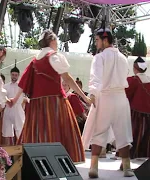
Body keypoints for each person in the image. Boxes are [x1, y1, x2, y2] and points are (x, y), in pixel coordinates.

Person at [10, 30, 90, 163]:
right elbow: (68, 79)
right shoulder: (54, 56)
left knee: (37, 132)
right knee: (57, 131)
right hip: (54, 102)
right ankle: (58, 161)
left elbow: (23, 83)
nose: (57, 44)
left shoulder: (34, 61)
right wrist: (85, 98)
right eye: (56, 41)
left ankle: (35, 162)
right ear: (52, 41)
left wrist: (14, 99)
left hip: (36, 105)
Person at [81, 27, 134, 178]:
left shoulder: (99, 57)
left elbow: (96, 79)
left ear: (105, 40)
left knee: (99, 131)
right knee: (122, 132)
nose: (96, 43)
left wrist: (92, 95)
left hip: (105, 97)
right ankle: (127, 168)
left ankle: (94, 167)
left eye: (97, 40)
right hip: (121, 98)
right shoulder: (123, 58)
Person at [125, 56, 150, 159]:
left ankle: (131, 154)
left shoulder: (133, 80)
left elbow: (126, 94)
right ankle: (145, 154)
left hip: (136, 111)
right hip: (149, 112)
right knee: (147, 135)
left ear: (135, 68)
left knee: (133, 133)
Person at [2, 61, 25, 146]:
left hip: (17, 109)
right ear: (10, 75)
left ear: (18, 75)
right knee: (7, 130)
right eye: (13, 75)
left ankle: (21, 150)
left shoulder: (21, 86)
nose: (14, 76)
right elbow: (2, 97)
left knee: (19, 130)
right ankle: (8, 154)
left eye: (16, 75)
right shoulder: (6, 86)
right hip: (8, 108)